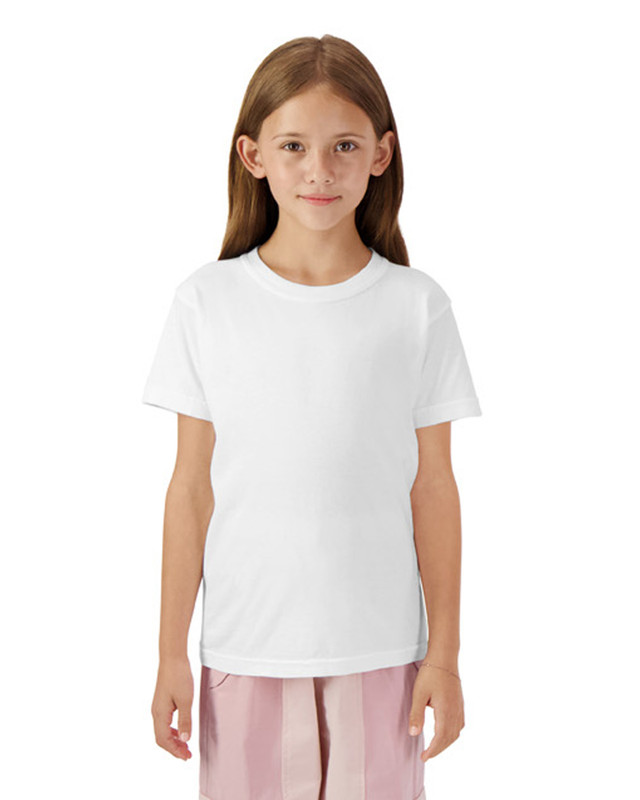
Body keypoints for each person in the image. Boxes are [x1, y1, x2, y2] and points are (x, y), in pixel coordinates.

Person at [142, 33, 482, 800]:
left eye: (344, 146)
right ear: (253, 155)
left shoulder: (416, 308)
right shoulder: (207, 303)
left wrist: (445, 656)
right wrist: (169, 654)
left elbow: (433, 489)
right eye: (293, 145)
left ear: (382, 154)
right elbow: (191, 489)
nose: (319, 170)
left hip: (382, 654)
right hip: (245, 652)